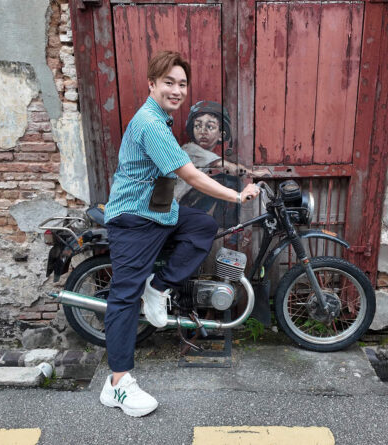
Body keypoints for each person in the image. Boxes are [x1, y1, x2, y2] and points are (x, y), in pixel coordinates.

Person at [98, 51, 260, 417]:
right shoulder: (151, 124)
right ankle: (118, 383)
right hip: (133, 219)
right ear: (152, 84)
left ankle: (158, 288)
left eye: (182, 84)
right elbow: (189, 174)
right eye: (168, 82)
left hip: (158, 212)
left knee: (202, 226)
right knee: (124, 297)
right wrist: (236, 195)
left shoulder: (161, 119)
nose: (176, 90)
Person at [175, 101, 270, 229]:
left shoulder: (203, 154)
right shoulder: (191, 149)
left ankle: (224, 229)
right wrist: (252, 173)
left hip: (184, 204)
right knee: (229, 181)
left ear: (221, 135)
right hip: (176, 205)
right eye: (197, 126)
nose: (202, 131)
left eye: (210, 127)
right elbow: (227, 167)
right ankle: (227, 230)